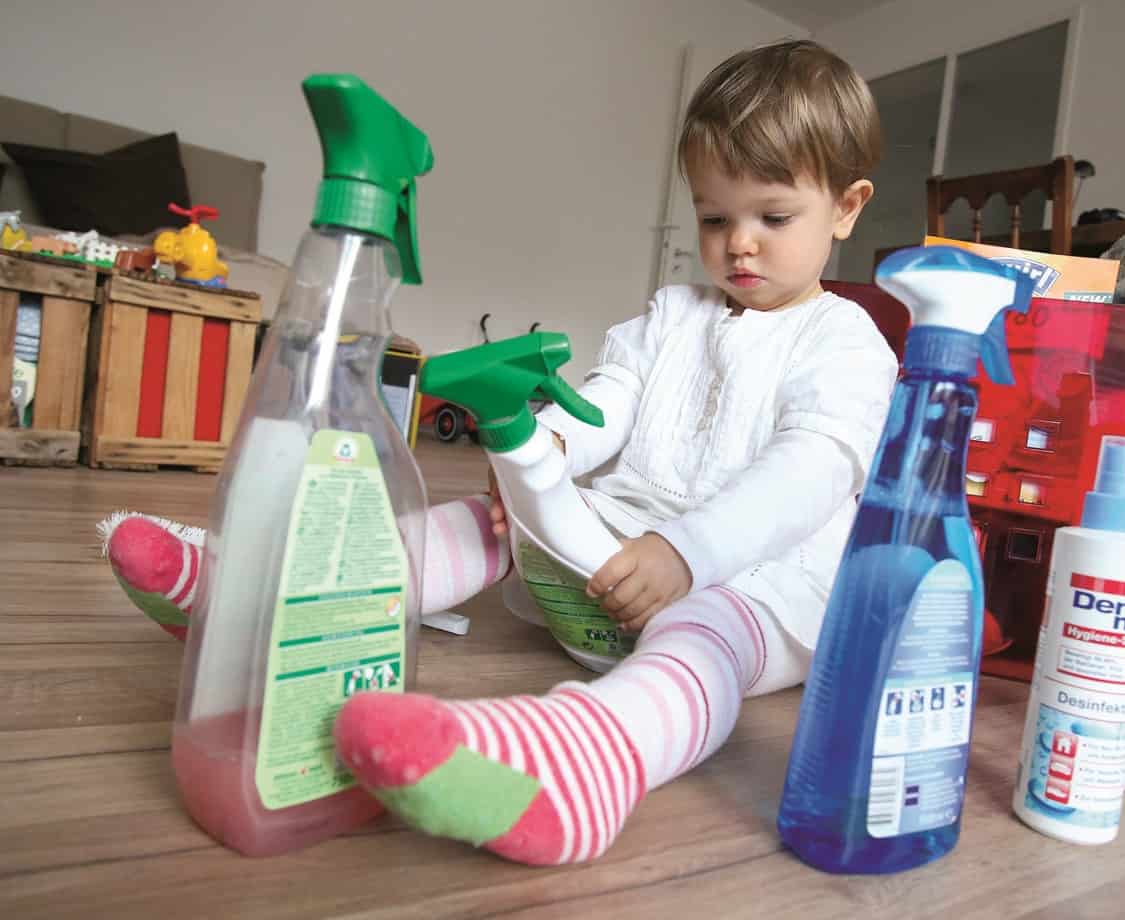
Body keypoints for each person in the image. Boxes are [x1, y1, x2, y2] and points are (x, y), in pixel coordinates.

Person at [101, 38, 897, 866]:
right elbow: (607, 400)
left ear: (845, 208)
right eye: (714, 217)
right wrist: (542, 451)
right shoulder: (673, 312)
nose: (739, 244)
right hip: (621, 555)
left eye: (773, 218)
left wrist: (687, 553)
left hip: (754, 582)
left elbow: (808, 473)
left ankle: (592, 756)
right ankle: (263, 596)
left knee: (708, 639)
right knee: (484, 523)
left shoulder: (845, 345)